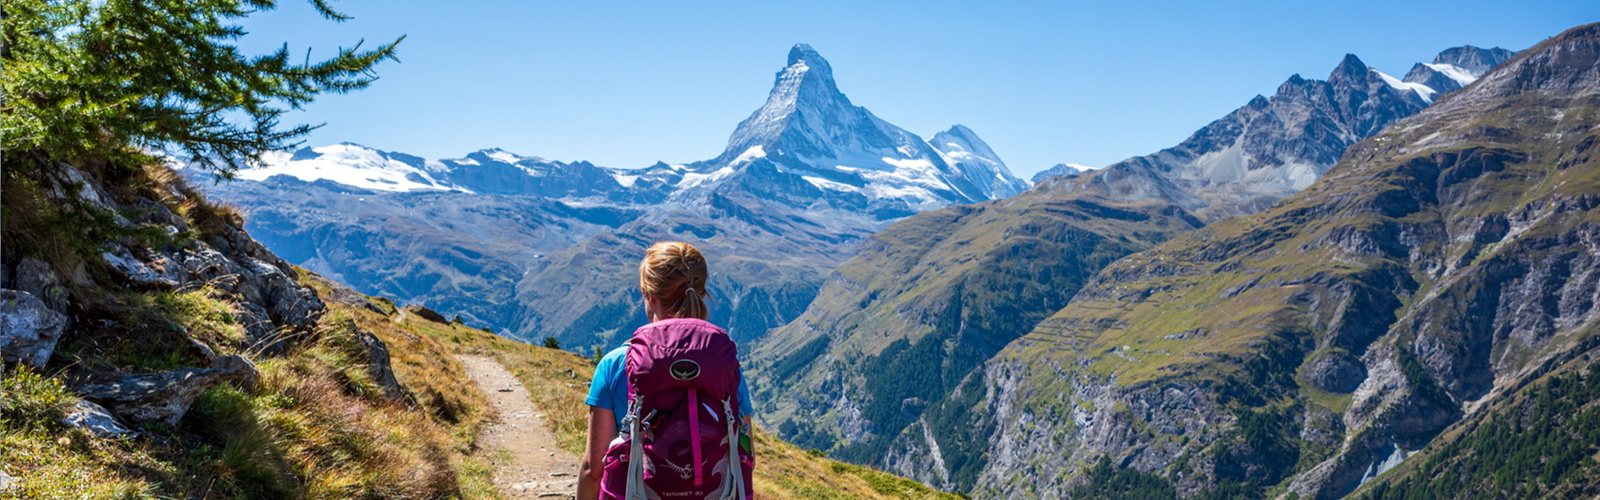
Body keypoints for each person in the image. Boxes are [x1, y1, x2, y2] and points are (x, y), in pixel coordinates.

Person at [577, 241, 753, 500]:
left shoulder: (615, 365)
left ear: (650, 296)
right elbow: (746, 453)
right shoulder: (726, 366)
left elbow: (594, 469)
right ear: (701, 291)